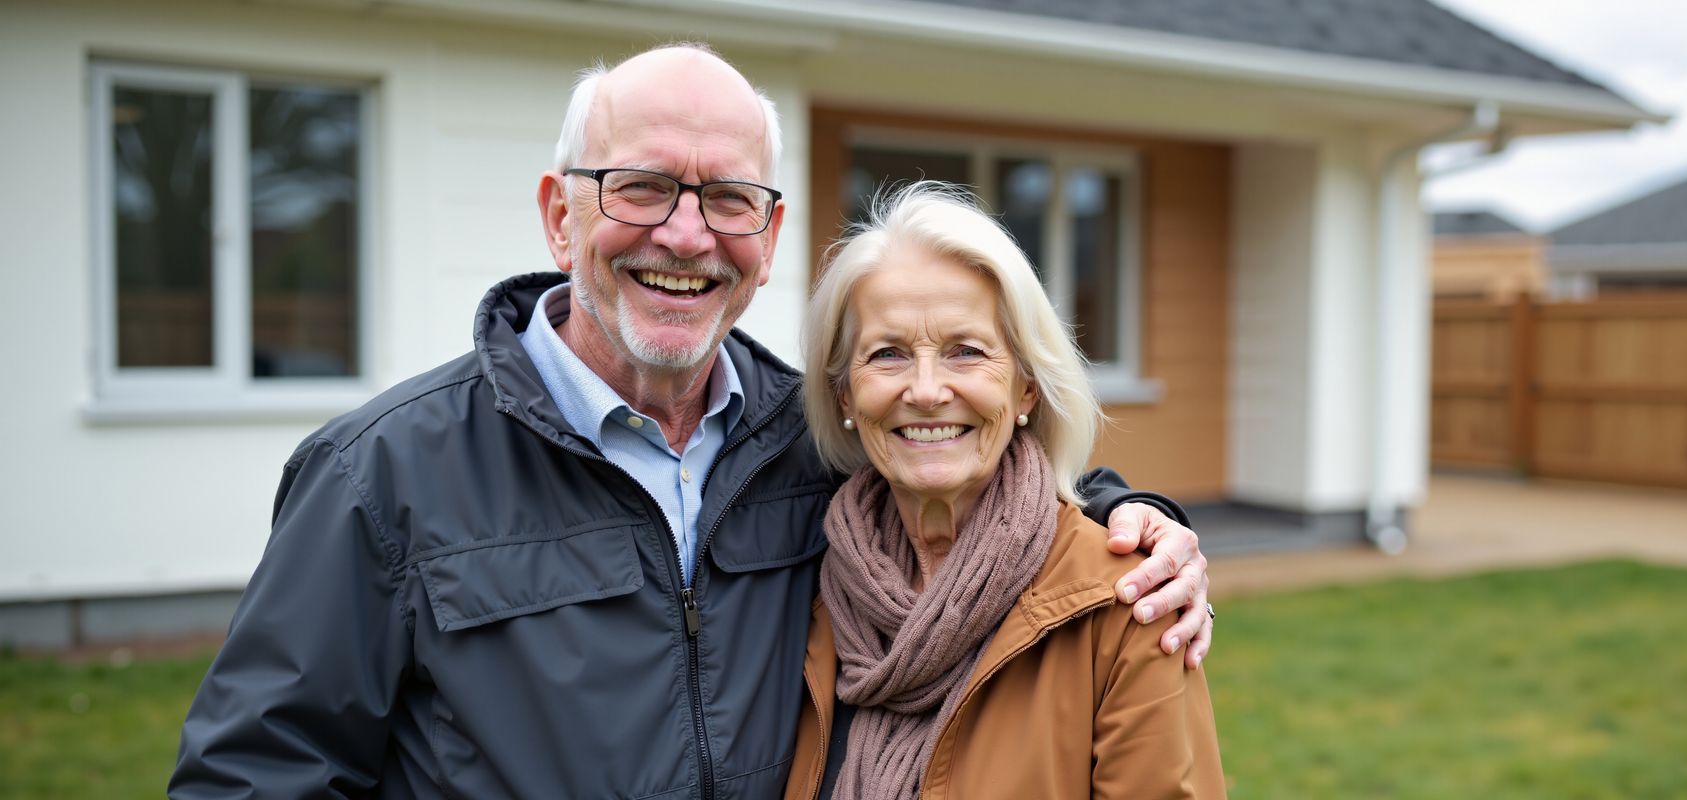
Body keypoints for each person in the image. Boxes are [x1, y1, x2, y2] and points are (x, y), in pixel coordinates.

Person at [169, 43, 1215, 799]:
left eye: (725, 198)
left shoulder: (811, 451)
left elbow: (978, 486)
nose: (685, 233)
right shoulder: (382, 473)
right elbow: (254, 775)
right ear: (559, 211)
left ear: (767, 233)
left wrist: (1137, 515)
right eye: (643, 186)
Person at [782, 184, 1225, 800]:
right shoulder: (801, 584)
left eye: (966, 352)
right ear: (845, 398)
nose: (928, 390)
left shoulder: (1128, 605)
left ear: (1026, 388)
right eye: (887, 355)